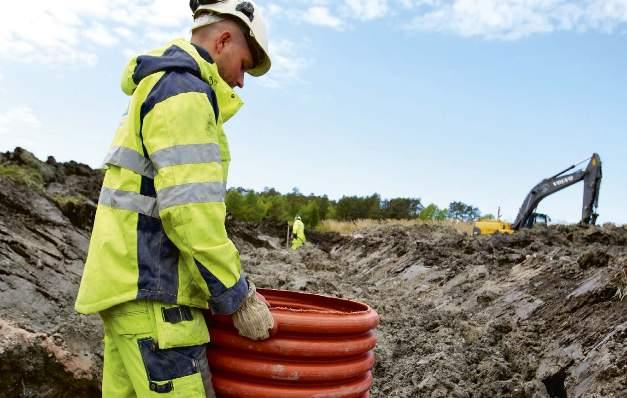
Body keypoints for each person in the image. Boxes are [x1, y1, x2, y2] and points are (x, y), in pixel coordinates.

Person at [74, 1, 273, 396]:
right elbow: (190, 212)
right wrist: (238, 295)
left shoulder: (159, 84)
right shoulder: (185, 92)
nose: (241, 81)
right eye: (245, 65)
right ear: (224, 40)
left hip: (129, 295)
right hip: (158, 299)